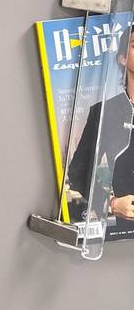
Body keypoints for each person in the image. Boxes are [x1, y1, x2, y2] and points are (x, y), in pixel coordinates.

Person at [67, 26, 134, 228]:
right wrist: (111, 203)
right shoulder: (104, 111)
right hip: (126, 227)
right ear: (122, 58)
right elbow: (77, 172)